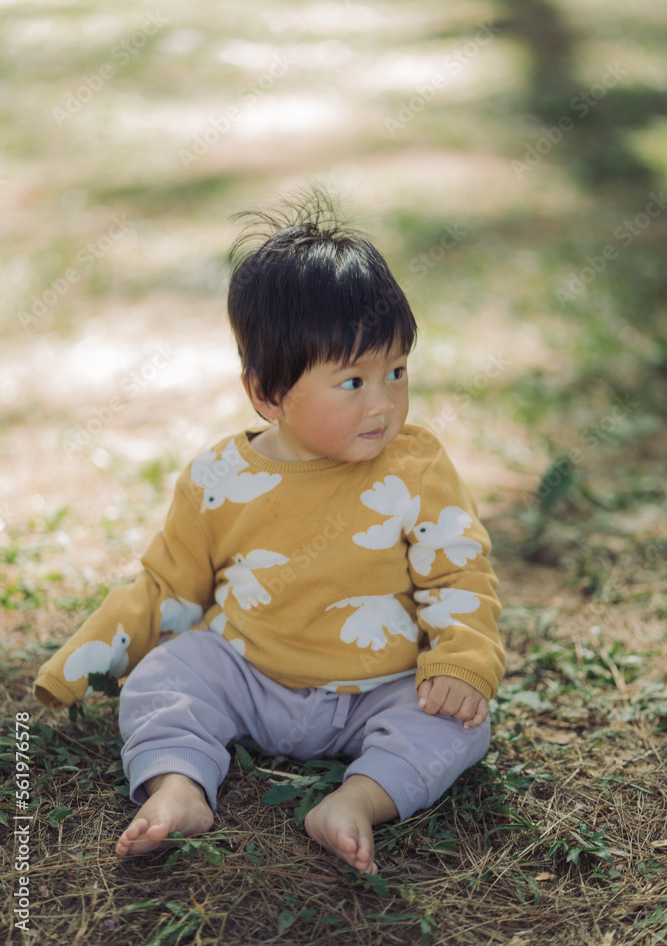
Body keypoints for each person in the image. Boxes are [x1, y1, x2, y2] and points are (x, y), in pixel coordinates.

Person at [34, 187, 504, 875]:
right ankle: (179, 786)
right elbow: (170, 584)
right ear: (268, 394)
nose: (384, 404)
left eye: (396, 371)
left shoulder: (416, 466)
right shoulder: (220, 477)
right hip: (250, 674)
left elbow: (457, 571)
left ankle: (356, 801)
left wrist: (460, 663)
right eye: (352, 382)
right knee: (169, 676)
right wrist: (81, 660)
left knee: (458, 722)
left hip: (381, 683)